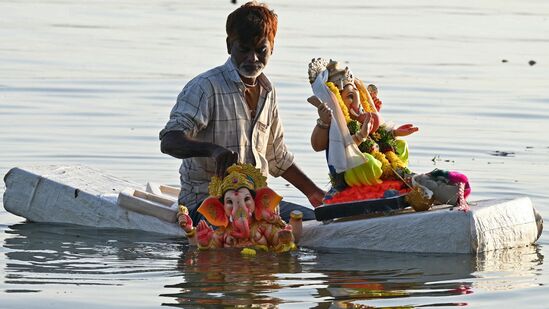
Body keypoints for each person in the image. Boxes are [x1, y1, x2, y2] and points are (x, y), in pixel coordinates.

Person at [159, 1, 324, 225]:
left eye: (261, 50)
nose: (253, 58)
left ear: (272, 48)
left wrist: (315, 194)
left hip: (256, 202)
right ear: (229, 46)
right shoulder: (205, 87)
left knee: (315, 221)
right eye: (244, 49)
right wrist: (213, 151)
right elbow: (169, 140)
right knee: (244, 233)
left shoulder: (268, 91)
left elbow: (277, 158)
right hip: (205, 203)